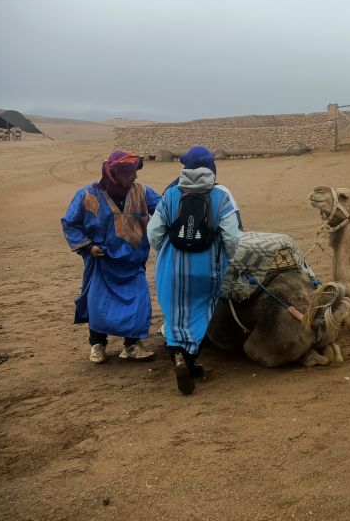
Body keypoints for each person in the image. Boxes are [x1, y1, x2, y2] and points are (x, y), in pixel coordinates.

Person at [147, 146, 240, 394]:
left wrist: (166, 254)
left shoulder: (171, 193)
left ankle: (177, 354)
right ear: (212, 167)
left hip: (172, 266)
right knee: (199, 311)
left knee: (175, 311)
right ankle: (188, 359)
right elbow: (231, 236)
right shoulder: (222, 194)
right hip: (207, 267)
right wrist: (231, 261)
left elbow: (154, 232)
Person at [61, 150, 161, 363]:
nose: (134, 177)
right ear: (115, 174)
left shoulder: (142, 192)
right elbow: (71, 223)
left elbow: (164, 209)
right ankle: (98, 345)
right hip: (101, 261)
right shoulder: (88, 195)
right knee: (99, 305)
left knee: (138, 302)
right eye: (129, 173)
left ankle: (132, 346)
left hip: (133, 262)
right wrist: (88, 247)